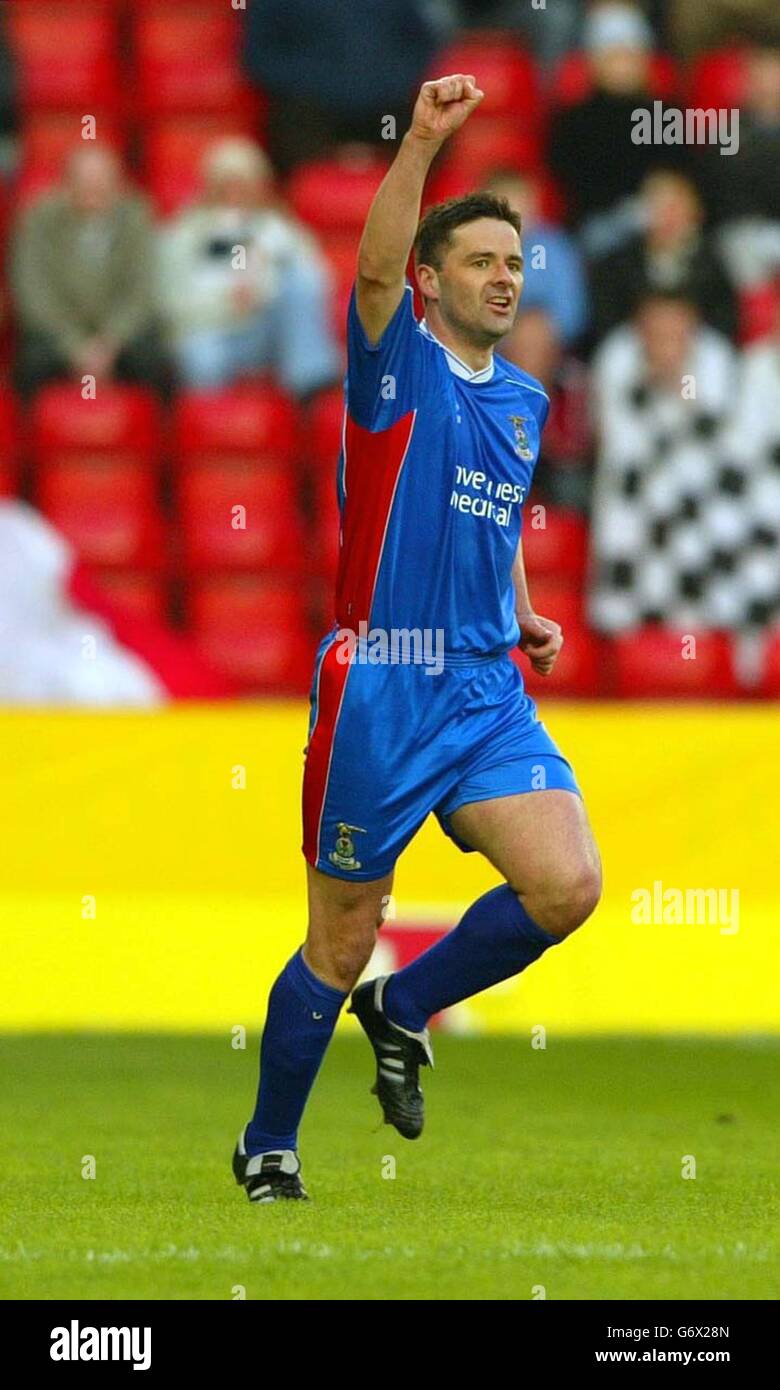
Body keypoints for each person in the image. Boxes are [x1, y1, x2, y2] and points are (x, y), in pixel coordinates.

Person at [232, 75, 602, 1203]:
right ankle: (271, 1145)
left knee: (567, 882)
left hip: (484, 687)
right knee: (339, 942)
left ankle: (409, 1004)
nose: (503, 278)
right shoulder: (398, 368)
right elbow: (376, 265)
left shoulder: (527, 399)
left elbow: (492, 513)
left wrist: (524, 605)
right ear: (436, 285)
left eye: (513, 263)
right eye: (482, 263)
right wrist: (427, 139)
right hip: (382, 688)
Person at [158, 138, 341, 399]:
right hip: (207, 330)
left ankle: (311, 393)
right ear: (211, 187)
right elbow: (171, 303)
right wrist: (226, 304)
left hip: (265, 333)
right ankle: (215, 429)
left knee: (301, 280)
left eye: (244, 186)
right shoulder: (184, 233)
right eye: (227, 186)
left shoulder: (281, 228)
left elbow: (317, 281)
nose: (235, 195)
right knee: (203, 357)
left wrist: (262, 292)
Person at [11, 146, 166, 398]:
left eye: (103, 184)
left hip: (119, 334)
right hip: (59, 333)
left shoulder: (137, 216)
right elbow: (33, 292)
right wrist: (75, 346)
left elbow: (142, 291)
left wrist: (109, 343)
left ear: (119, 185)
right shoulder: (38, 219)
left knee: (155, 363)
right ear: (65, 184)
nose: (94, 191)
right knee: (30, 366)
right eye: (85, 183)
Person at [590, 169, 738, 344]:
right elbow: (608, 321)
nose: (666, 217)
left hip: (697, 348)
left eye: (673, 208)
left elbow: (725, 319)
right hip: (638, 346)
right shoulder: (618, 264)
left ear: (694, 211)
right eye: (657, 207)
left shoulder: (713, 261)